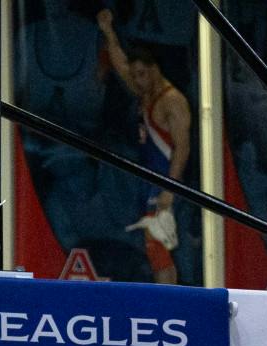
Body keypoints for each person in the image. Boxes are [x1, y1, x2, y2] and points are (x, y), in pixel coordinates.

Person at [97, 13, 191, 286]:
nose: (135, 81)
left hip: (164, 184)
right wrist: (108, 32)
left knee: (160, 247)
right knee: (156, 249)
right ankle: (168, 298)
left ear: (154, 70)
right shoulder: (145, 93)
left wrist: (169, 191)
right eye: (134, 75)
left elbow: (182, 148)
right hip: (150, 182)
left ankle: (169, 303)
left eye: (141, 75)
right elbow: (120, 64)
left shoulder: (172, 101)